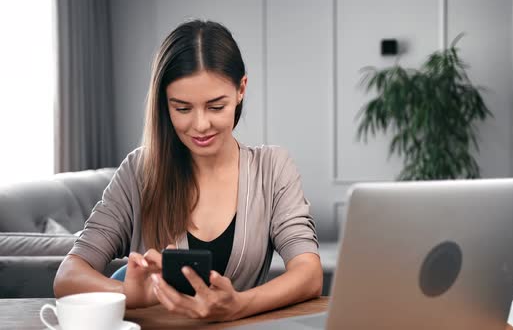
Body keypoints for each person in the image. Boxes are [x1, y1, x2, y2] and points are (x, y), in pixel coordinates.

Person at [53, 19, 322, 322]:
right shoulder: (139, 171)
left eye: (216, 106)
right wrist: (130, 294)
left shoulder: (272, 169)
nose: (200, 125)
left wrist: (239, 305)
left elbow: (309, 274)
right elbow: (68, 276)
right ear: (164, 104)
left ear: (241, 90)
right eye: (182, 108)